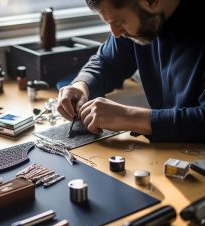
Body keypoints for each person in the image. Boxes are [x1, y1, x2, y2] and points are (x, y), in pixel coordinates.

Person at [57, 0, 205, 142]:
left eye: (118, 22)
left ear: (151, 1)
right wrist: (81, 86)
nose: (115, 33)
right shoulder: (143, 16)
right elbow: (107, 62)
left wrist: (129, 116)